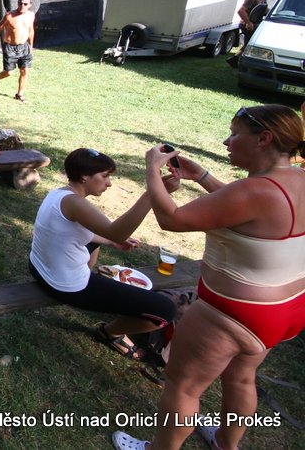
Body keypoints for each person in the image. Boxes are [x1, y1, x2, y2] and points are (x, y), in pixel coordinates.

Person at [112, 105, 305, 450]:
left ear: (264, 138)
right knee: (242, 378)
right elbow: (246, 209)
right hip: (285, 310)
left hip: (232, 313)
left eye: (234, 134)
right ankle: (226, 444)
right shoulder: (296, 180)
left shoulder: (254, 191)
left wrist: (152, 169)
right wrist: (201, 176)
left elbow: (171, 219)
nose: (226, 141)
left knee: (183, 387)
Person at [30, 148, 178, 364]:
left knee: (98, 239)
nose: (109, 183)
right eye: (105, 176)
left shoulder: (59, 194)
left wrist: (110, 241)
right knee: (165, 310)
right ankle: (109, 333)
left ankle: (91, 278)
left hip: (38, 267)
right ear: (84, 176)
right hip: (65, 285)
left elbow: (92, 233)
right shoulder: (76, 203)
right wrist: (150, 196)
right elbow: (117, 231)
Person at [0, 0, 36, 102]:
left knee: (24, 71)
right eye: (20, 3)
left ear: (30, 5)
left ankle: (20, 94)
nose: (22, 5)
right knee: (9, 72)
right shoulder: (9, 16)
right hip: (10, 47)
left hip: (24, 47)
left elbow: (31, 30)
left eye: (25, 4)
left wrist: (31, 45)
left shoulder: (31, 15)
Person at [228, 0, 272, 67]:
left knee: (249, 44)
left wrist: (272, 13)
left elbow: (265, 8)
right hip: (247, 25)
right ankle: (238, 61)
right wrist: (248, 22)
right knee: (249, 44)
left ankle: (234, 59)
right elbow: (241, 11)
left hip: (256, 23)